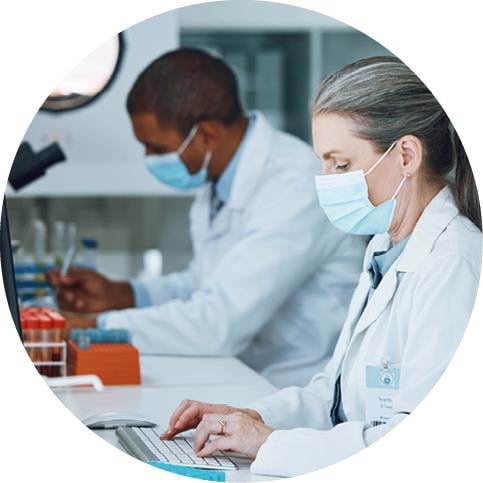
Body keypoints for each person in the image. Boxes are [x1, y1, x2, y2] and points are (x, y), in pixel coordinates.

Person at [159, 56, 482, 477]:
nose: (326, 179)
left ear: (406, 155)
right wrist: (245, 417)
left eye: (341, 164)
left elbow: (421, 444)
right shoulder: (386, 246)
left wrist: (270, 443)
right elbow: (331, 394)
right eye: (323, 162)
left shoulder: (453, 263)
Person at [49, 48, 366, 388]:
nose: (149, 157)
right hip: (243, 374)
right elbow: (204, 282)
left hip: (296, 385)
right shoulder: (219, 178)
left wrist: (95, 327)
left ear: (205, 136)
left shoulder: (294, 187)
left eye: (155, 147)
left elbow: (216, 323)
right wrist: (126, 294)